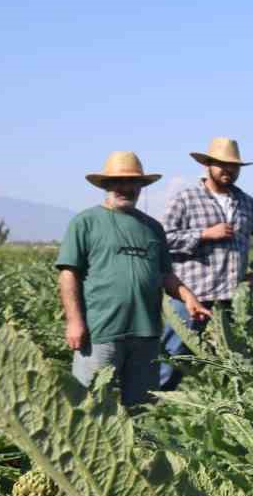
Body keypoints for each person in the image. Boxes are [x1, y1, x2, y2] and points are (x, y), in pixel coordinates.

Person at [56, 151, 210, 405]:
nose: (126, 187)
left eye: (132, 182)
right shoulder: (85, 222)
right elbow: (68, 274)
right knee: (88, 405)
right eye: (118, 181)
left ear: (141, 186)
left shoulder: (152, 227)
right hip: (100, 331)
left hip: (146, 333)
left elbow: (165, 275)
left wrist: (189, 298)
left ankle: (138, 447)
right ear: (106, 184)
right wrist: (74, 321)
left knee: (142, 409)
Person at [159, 137, 253, 388]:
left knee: (234, 363)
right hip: (191, 296)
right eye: (222, 164)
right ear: (208, 165)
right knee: (174, 357)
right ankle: (155, 410)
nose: (228, 170)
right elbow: (163, 239)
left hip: (232, 299)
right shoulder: (186, 198)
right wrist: (203, 234)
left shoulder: (245, 202)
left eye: (234, 166)